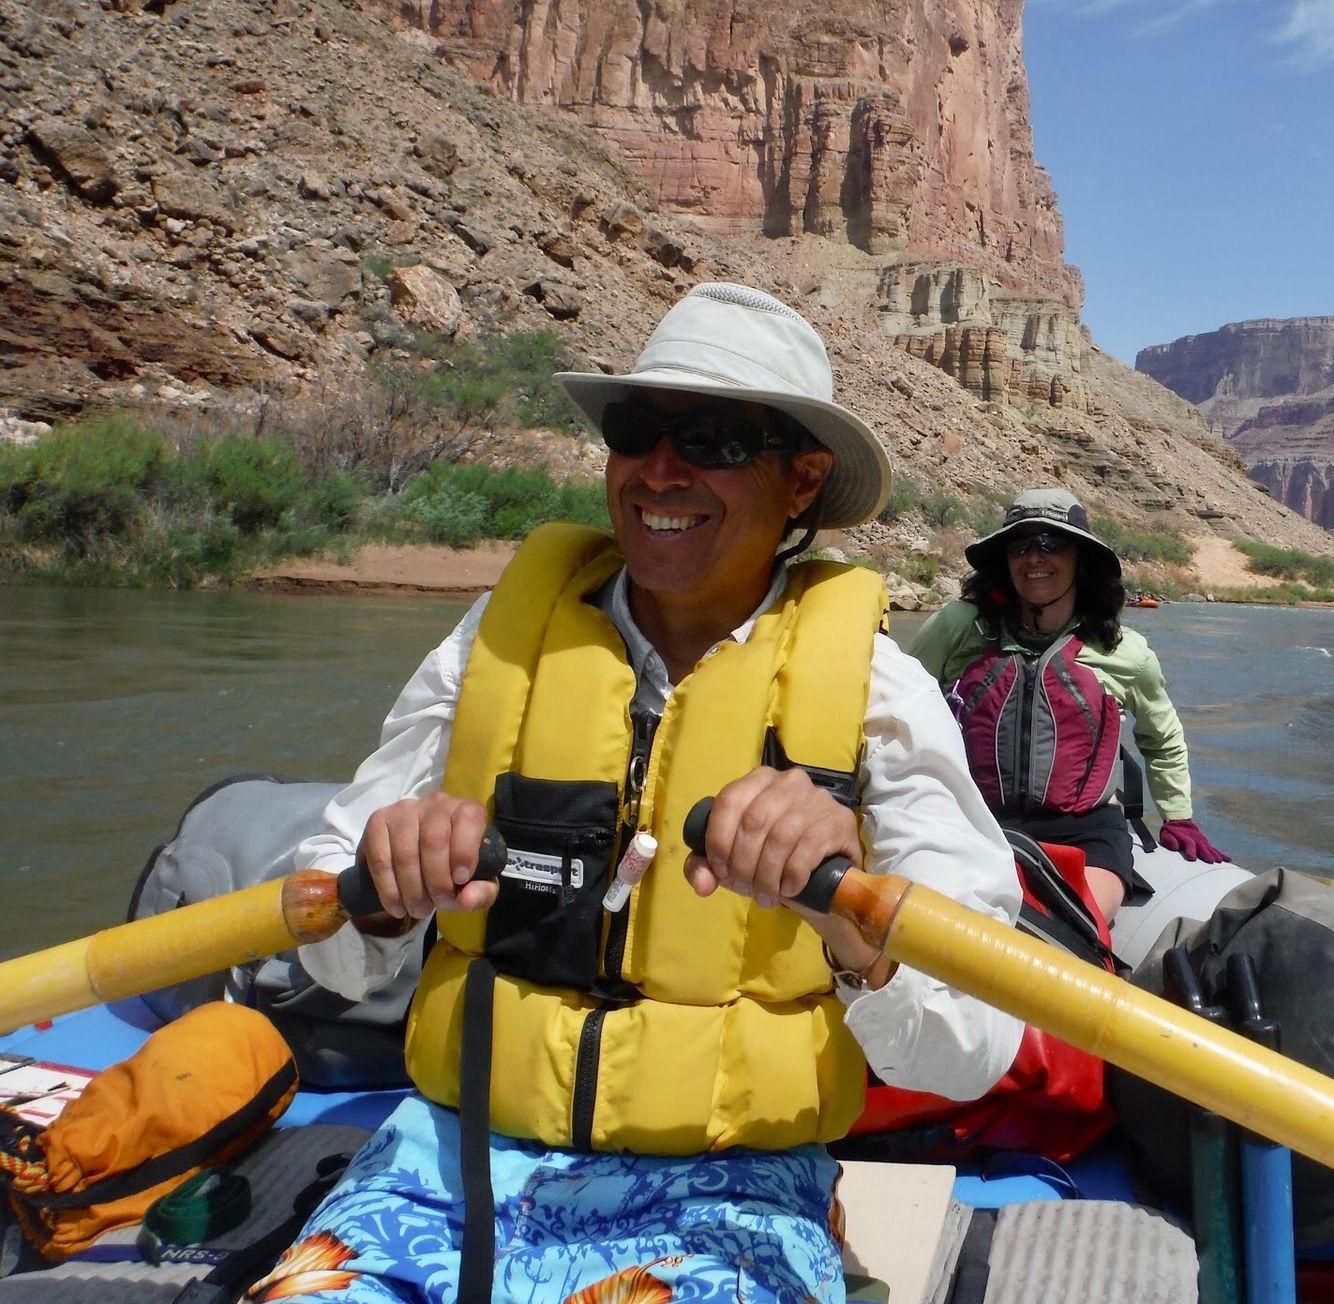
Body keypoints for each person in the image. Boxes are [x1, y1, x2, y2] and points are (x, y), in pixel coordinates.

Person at [273, 281, 1024, 1304]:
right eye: (638, 429)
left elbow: (974, 1052)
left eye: (713, 439)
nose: (660, 471)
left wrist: (856, 929)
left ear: (803, 483)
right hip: (452, 1162)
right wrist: (380, 884)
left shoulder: (882, 698)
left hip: (730, 1184)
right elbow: (320, 928)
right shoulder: (498, 643)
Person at [908, 489, 1230, 926]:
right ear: (1005, 559)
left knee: (1075, 934)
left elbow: (1162, 736)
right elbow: (902, 703)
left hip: (1085, 834)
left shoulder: (1127, 653)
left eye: (1052, 543)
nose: (1034, 557)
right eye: (1021, 545)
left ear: (1081, 559)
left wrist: (1178, 815)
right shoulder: (959, 626)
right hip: (971, 818)